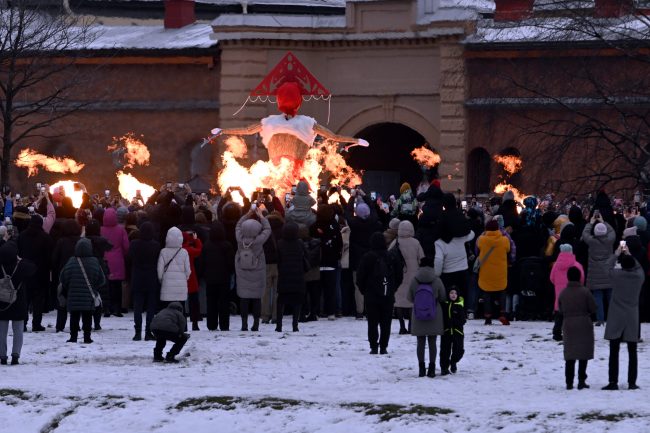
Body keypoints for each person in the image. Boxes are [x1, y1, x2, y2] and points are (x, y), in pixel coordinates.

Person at [602, 251, 644, 390]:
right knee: (633, 351)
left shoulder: (617, 275)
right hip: (632, 316)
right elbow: (640, 268)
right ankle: (632, 382)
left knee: (614, 351)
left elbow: (606, 267)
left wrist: (616, 254)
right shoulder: (638, 277)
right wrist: (630, 254)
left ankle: (613, 381)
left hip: (616, 315)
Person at [356, 232, 402, 355]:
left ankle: (373, 346)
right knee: (386, 322)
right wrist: (393, 288)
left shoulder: (367, 257)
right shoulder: (391, 256)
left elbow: (360, 277)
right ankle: (383, 346)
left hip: (371, 295)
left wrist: (364, 291)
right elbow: (399, 275)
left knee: (372, 322)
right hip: (388, 294)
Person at [59, 238, 106, 344]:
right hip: (88, 296)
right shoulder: (94, 262)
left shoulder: (71, 261)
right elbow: (102, 280)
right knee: (87, 317)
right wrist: (94, 287)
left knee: (74, 316)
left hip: (73, 296)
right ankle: (87, 337)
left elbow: (63, 278)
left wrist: (70, 287)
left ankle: (73, 337)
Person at [407, 257, 446, 377]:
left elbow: (409, 298)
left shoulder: (415, 280)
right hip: (434, 314)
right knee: (432, 341)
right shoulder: (437, 280)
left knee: (420, 341)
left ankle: (421, 368)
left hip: (418, 314)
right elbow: (443, 297)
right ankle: (432, 368)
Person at [558, 266, 597, 390]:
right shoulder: (585, 292)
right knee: (583, 354)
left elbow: (560, 309)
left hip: (569, 324)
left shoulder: (563, 293)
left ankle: (569, 382)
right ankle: (581, 380)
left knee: (570, 355)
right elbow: (593, 307)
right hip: (584, 324)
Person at [345, 193, 382, 319]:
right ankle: (370, 308)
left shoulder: (354, 223)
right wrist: (365, 196)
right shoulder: (373, 222)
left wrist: (352, 198)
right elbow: (373, 209)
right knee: (371, 283)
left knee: (358, 285)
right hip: (371, 258)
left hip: (357, 258)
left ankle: (360, 311)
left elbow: (348, 212)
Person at [235, 207, 271, 331]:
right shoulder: (259, 240)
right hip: (258, 271)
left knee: (244, 299)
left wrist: (247, 214)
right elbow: (267, 229)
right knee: (256, 298)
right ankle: (256, 324)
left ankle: (244, 324)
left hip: (242, 271)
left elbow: (238, 225)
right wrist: (261, 216)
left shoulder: (240, 239)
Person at [0, 242, 36, 365]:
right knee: (18, 331)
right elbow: (33, 268)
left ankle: (2, 356)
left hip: (2, 303)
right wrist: (20, 259)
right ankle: (15, 356)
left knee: (1, 332)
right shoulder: (21, 266)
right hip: (18, 302)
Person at [16, 215, 52, 332]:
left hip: (25, 271)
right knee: (38, 300)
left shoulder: (22, 236)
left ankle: (23, 323)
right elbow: (49, 257)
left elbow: (18, 253)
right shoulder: (45, 238)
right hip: (41, 272)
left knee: (24, 299)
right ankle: (36, 323)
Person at [389, 220, 424, 334]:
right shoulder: (416, 242)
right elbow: (421, 258)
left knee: (399, 301)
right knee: (411, 301)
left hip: (399, 276)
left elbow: (389, 256)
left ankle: (401, 326)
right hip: (413, 276)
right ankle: (410, 326)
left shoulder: (396, 242)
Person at [128, 222, 161, 341]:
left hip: (137, 277)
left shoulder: (134, 244)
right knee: (151, 307)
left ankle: (137, 332)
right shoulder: (156, 245)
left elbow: (129, 257)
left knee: (138, 307)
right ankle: (148, 332)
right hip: (151, 277)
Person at [200, 221, 234, 331]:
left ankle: (211, 324)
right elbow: (230, 263)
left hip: (210, 278)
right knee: (224, 303)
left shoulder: (206, 245)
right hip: (224, 278)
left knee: (211, 303)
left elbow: (203, 262)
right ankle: (224, 325)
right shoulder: (227, 245)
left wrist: (204, 273)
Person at [581, 216, 615, 326]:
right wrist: (603, 221)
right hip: (608, 271)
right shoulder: (609, 240)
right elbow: (612, 232)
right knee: (611, 297)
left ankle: (600, 319)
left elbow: (585, 234)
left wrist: (590, 223)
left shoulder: (592, 241)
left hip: (595, 273)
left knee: (598, 297)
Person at [476, 220, 511, 325]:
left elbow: (477, 250)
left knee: (486, 293)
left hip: (486, 271)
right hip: (500, 271)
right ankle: (503, 314)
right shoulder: (505, 240)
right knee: (502, 291)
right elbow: (508, 250)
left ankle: (488, 317)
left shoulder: (481, 239)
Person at [312, 205, 343, 320]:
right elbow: (339, 243)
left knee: (317, 289)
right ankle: (331, 312)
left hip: (318, 263)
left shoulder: (314, 226)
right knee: (331, 289)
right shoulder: (334, 226)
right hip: (331, 262)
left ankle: (317, 311)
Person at [275, 222, 307, 332]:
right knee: (297, 302)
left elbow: (277, 259)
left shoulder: (280, 243)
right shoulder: (300, 243)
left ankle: (279, 325)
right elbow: (306, 256)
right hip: (298, 276)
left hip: (284, 276)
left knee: (281, 301)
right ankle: (295, 325)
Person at [52, 220, 82, 332]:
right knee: (76, 301)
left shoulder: (61, 242)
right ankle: (76, 325)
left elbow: (55, 259)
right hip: (78, 274)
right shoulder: (81, 241)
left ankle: (60, 325)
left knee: (62, 300)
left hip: (63, 274)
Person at [550, 244, 585, 341]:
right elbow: (581, 279)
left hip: (560, 293)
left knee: (559, 316)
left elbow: (552, 278)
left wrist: (558, 284)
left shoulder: (556, 265)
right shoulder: (577, 265)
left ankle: (556, 333)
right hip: (573, 293)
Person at [100, 207, 130, 317]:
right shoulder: (121, 230)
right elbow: (126, 246)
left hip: (104, 259)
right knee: (117, 286)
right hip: (118, 259)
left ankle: (106, 308)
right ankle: (117, 308)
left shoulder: (101, 230)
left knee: (105, 286)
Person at [158, 227, 191, 308]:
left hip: (167, 286)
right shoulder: (184, 252)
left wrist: (161, 279)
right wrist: (184, 278)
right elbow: (188, 271)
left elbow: (160, 270)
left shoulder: (163, 252)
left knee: (167, 309)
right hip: (181, 286)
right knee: (181, 309)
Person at [440, 287, 465, 376]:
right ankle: (444, 368)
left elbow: (463, 320)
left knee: (459, 350)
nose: (453, 295)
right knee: (444, 351)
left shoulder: (459, 306)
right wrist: (446, 323)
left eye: (455, 293)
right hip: (446, 332)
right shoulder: (444, 305)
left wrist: (453, 321)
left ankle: (453, 361)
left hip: (457, 332)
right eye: (451, 293)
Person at [182, 231, 203, 331]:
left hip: (180, 277)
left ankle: (183, 324)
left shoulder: (179, 249)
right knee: (193, 301)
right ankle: (195, 323)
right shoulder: (189, 250)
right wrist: (196, 239)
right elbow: (199, 250)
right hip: (191, 276)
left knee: (181, 302)